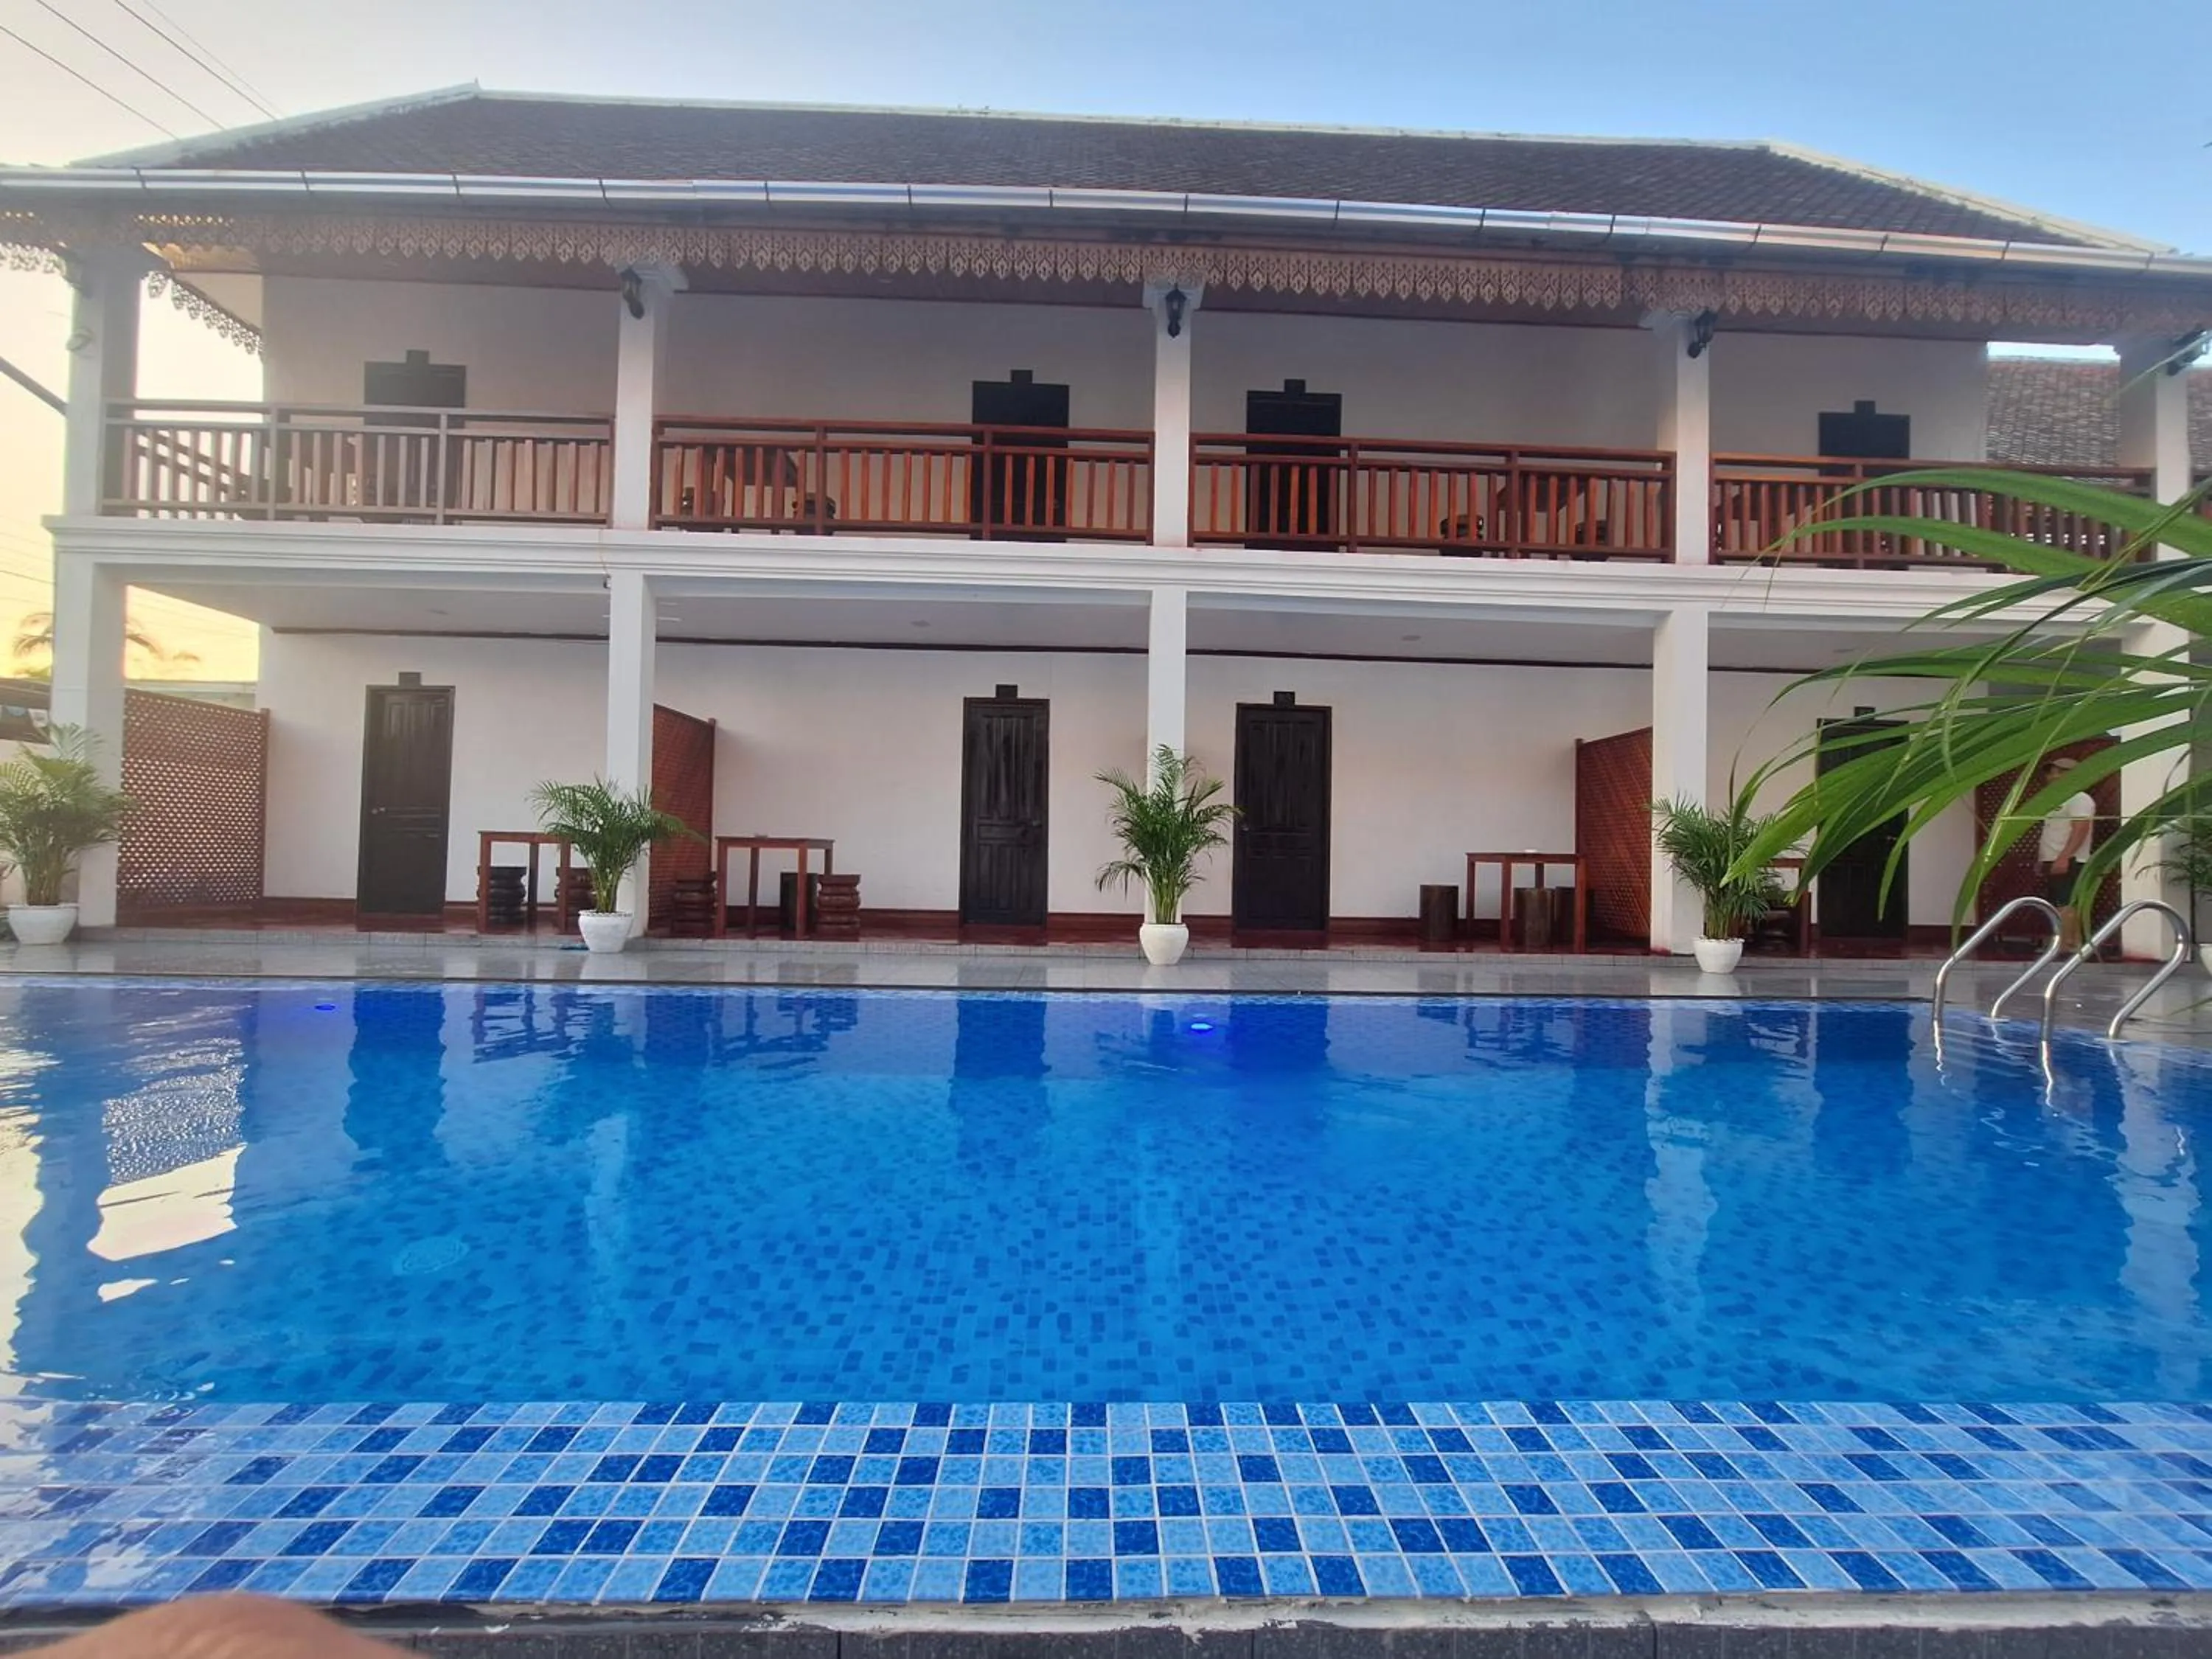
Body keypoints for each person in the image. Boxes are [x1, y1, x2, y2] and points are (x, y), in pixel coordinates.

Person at [2037, 757, 2096, 950]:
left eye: (2061, 772)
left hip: (2071, 860)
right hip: (2052, 859)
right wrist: (2042, 859)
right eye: (2051, 772)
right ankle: (2072, 944)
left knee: (2066, 903)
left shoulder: (2079, 798)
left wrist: (2064, 857)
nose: (2054, 776)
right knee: (2057, 903)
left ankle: (2067, 945)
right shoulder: (2056, 801)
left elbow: (2080, 829)